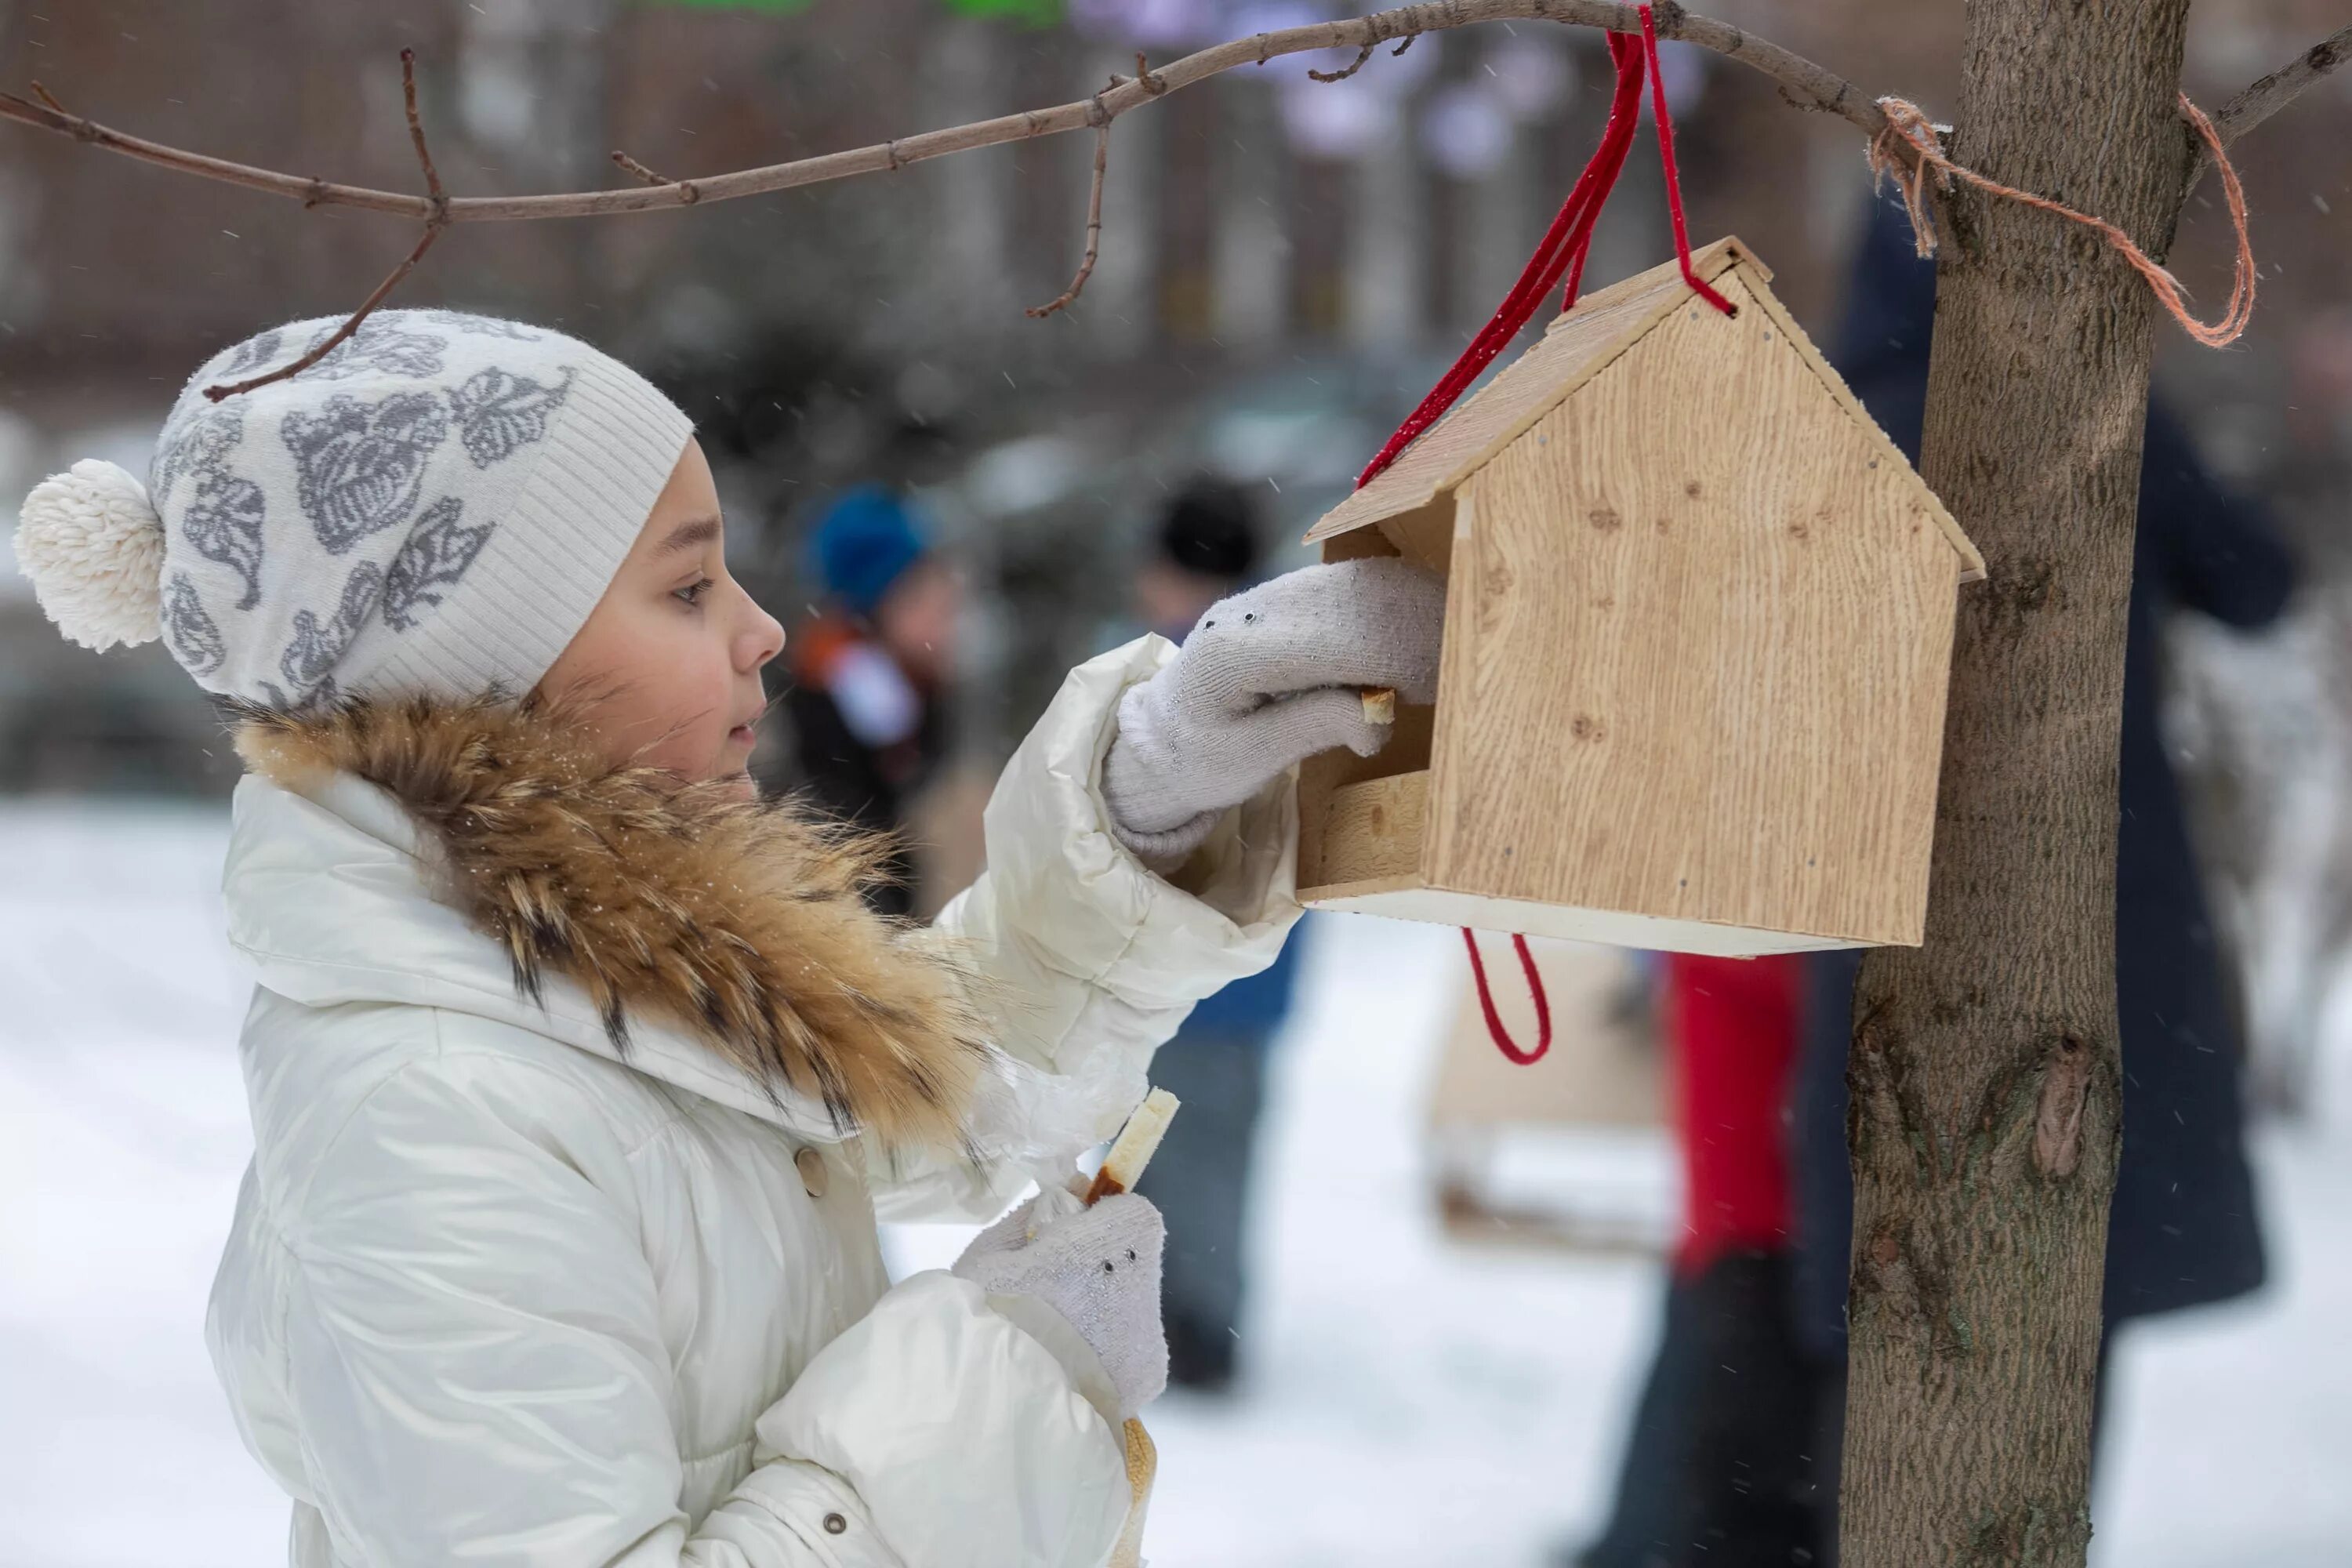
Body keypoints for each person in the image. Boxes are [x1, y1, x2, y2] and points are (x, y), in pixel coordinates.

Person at [12, 310, 1446, 1568]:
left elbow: (929, 1079)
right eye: (690, 587)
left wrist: (1150, 792)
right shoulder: (431, 1114)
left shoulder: (594, 981)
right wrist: (1004, 1372)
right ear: (487, 670)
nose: (764, 630)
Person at [1572, 197, 2293, 1568]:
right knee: (2056, 1322)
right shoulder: (2095, 427)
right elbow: (2262, 582)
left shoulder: (1816, 439)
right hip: (2094, 948)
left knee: (1874, 1338)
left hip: (1867, 952)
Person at [1126, 481, 1306, 1392]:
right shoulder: (1298, 645)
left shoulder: (1180, 669)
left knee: (1153, 1151)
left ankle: (1180, 1333)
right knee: (1218, 1156)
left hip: (1174, 965)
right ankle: (1201, 1321)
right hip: (1254, 970)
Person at [782, 485, 960, 916]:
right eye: (920, 597)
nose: (945, 613)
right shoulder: (830, 703)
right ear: (874, 608)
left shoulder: (914, 688)